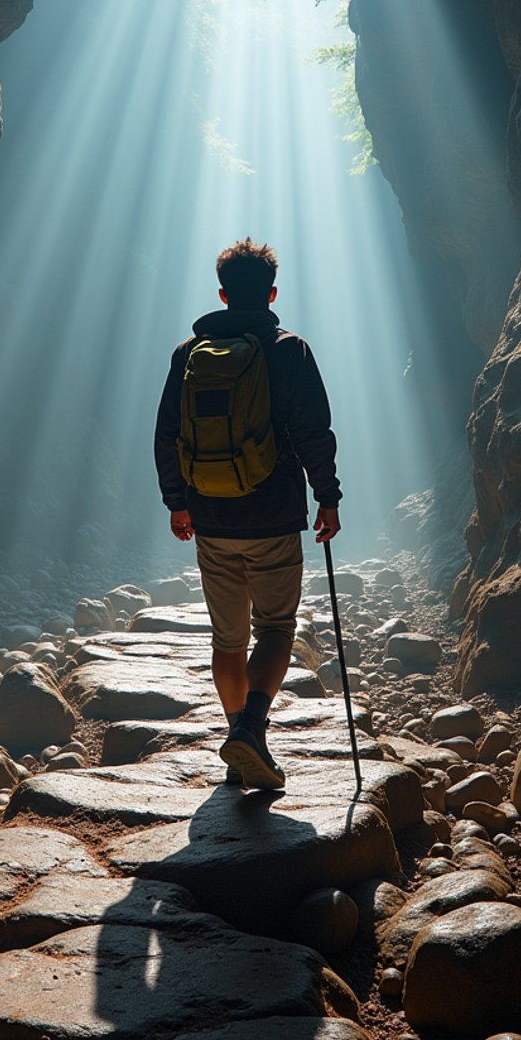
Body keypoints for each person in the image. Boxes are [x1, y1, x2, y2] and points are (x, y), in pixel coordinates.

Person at [154, 237, 341, 789]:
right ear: (272, 293)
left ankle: (240, 734)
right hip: (275, 514)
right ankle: (252, 731)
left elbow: (167, 436)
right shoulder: (289, 350)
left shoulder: (188, 355)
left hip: (211, 517)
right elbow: (314, 434)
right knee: (277, 627)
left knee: (227, 639)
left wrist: (177, 502)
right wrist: (327, 497)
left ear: (222, 294)